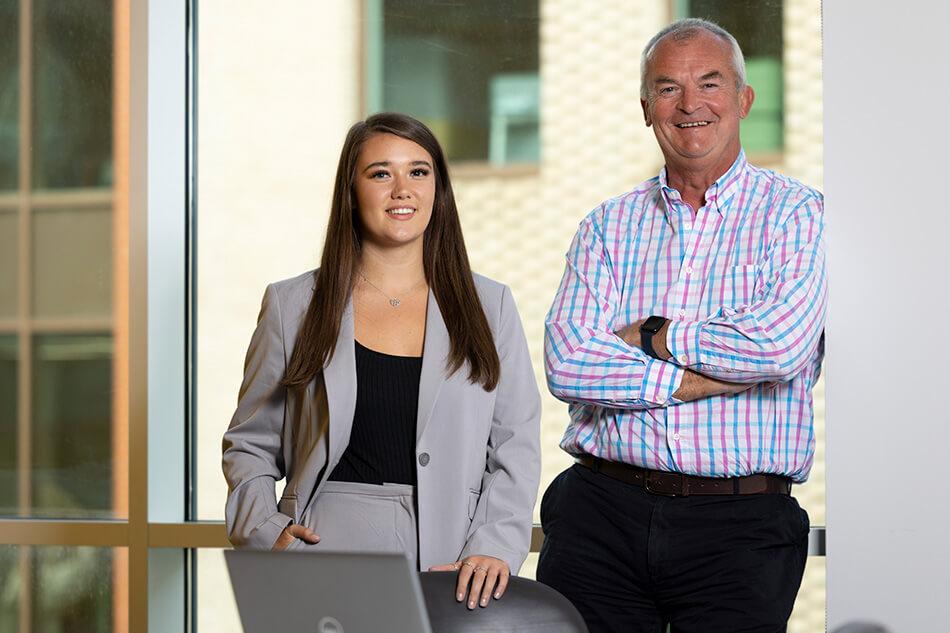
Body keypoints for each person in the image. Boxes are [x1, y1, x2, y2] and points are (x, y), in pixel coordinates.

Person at [537, 18, 826, 633]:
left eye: (710, 83)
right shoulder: (606, 227)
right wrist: (702, 378)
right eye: (668, 88)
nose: (690, 104)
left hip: (741, 526)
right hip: (600, 513)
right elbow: (568, 363)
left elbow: (777, 347)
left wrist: (654, 335)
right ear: (647, 109)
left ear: (744, 100)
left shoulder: (797, 215)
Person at [222, 112, 541, 610]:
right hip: (321, 554)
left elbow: (514, 446)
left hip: (452, 563)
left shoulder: (490, 306)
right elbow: (249, 443)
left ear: (439, 189)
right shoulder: (293, 305)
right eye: (380, 173)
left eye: (418, 171)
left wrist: (494, 546)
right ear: (351, 190)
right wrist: (265, 530)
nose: (402, 190)